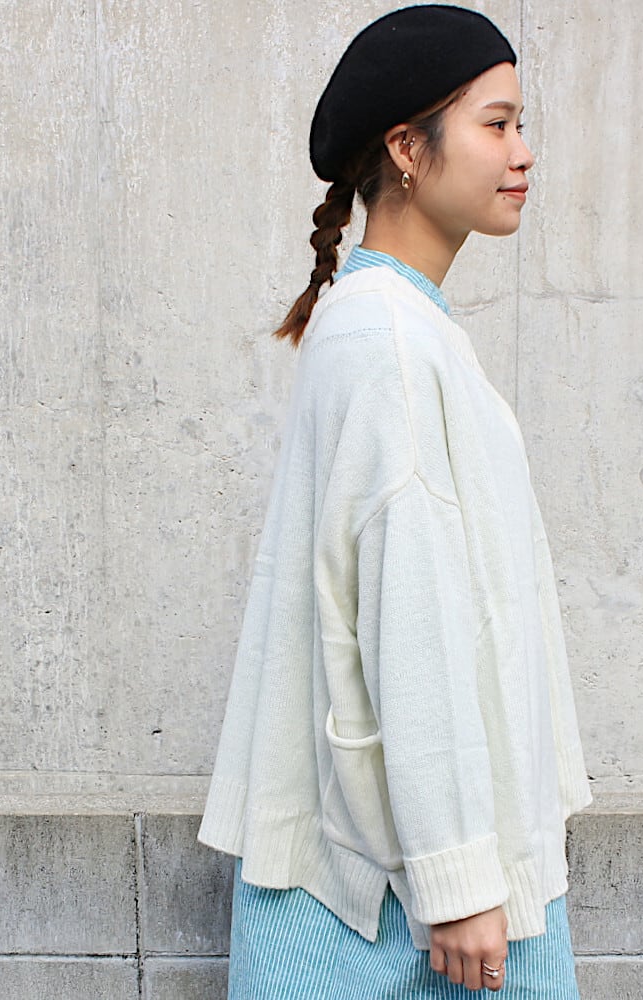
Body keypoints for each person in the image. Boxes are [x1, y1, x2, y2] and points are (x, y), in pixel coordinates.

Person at [198, 5, 592, 997]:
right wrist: (456, 880)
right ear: (408, 150)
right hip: (408, 911)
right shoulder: (390, 344)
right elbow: (411, 622)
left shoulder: (393, 327)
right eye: (496, 124)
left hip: (403, 885)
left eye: (520, 124)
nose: (523, 152)